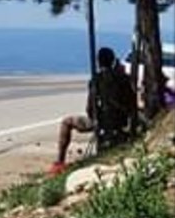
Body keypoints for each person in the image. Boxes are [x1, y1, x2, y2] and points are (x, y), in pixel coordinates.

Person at [49, 47, 136, 175]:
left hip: (101, 121)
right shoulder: (123, 78)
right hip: (120, 120)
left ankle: (60, 162)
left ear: (98, 62)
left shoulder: (96, 80)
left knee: (66, 122)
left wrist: (95, 117)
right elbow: (132, 103)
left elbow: (89, 107)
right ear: (113, 61)